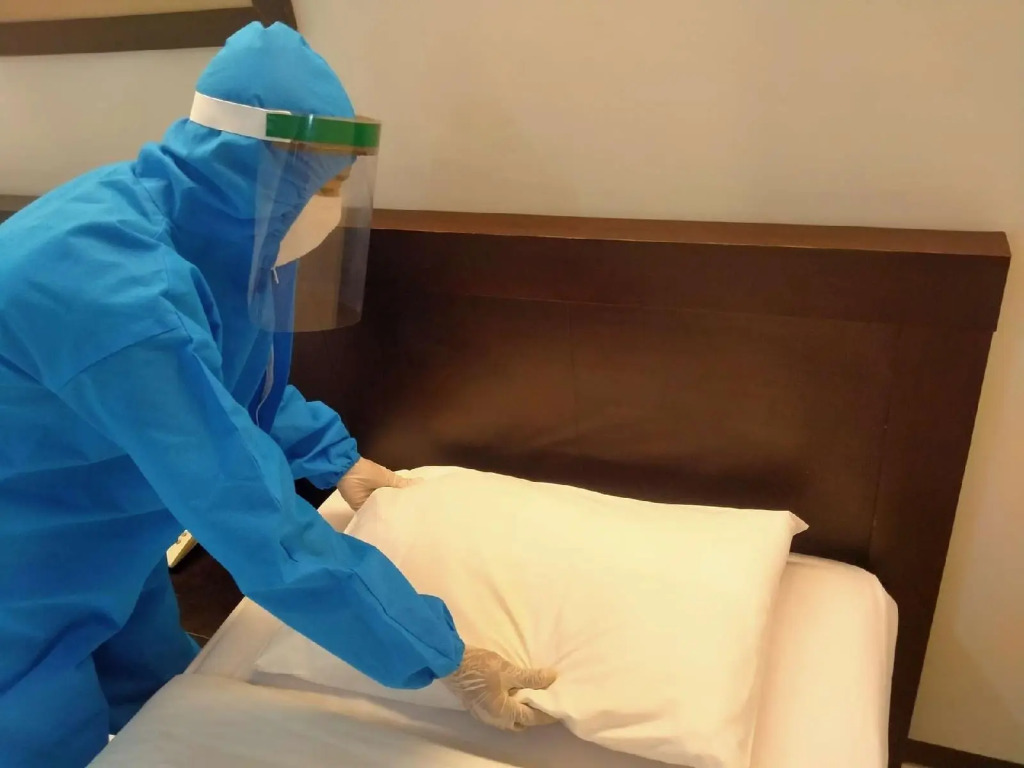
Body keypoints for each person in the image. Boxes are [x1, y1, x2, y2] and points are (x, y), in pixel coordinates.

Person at [0, 22, 554, 768]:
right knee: (39, 736)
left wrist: (331, 456)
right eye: (321, 186)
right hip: (21, 567)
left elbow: (226, 378)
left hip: (106, 527)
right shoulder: (114, 289)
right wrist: (437, 653)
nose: (329, 208)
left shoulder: (204, 229)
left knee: (171, 703)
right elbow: (241, 503)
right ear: (253, 172)